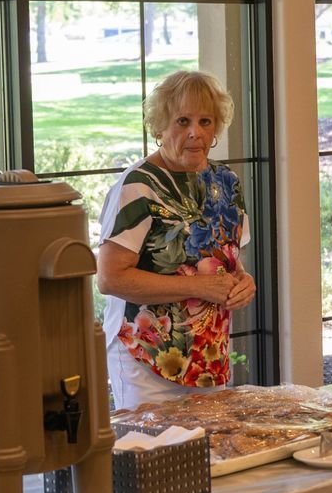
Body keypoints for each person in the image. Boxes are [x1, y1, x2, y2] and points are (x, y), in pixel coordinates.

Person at [95, 70, 254, 408]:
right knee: (154, 456)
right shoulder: (138, 187)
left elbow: (228, 263)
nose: (195, 132)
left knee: (213, 455)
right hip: (146, 359)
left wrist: (243, 283)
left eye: (205, 121)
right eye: (182, 121)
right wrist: (197, 286)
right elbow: (110, 278)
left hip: (210, 359)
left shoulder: (226, 183)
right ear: (159, 128)